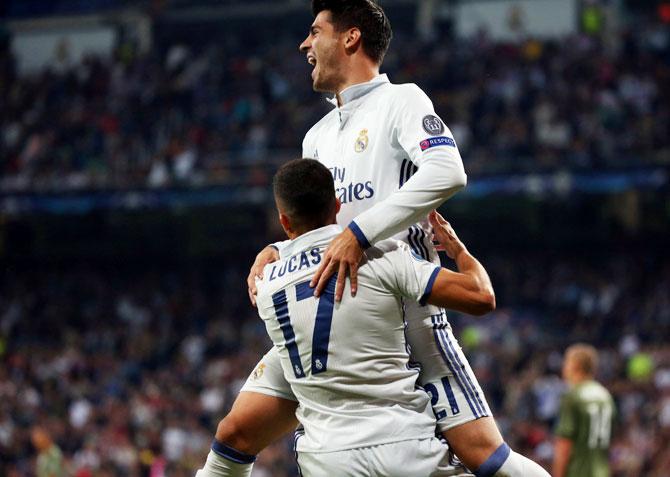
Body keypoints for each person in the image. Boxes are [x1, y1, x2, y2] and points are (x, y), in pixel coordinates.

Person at [208, 1, 549, 476]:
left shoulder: (401, 101)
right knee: (234, 433)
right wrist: (276, 250)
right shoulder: (317, 136)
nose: (305, 44)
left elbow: (448, 170)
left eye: (315, 32)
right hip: (325, 315)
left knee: (484, 456)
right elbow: (316, 225)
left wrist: (359, 234)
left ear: (350, 38)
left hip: (403, 313)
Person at [198, 158, 496, 476]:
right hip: (404, 450)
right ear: (338, 205)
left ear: (285, 222)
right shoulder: (384, 256)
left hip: (326, 460)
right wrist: (459, 251)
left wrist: (273, 249)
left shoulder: (266, 284)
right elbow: (480, 296)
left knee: (234, 433)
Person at [553, 344, 615, 477]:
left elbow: (564, 445)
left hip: (578, 472)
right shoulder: (605, 396)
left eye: (567, 361)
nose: (564, 366)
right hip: (602, 472)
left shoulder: (574, 396)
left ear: (576, 365)